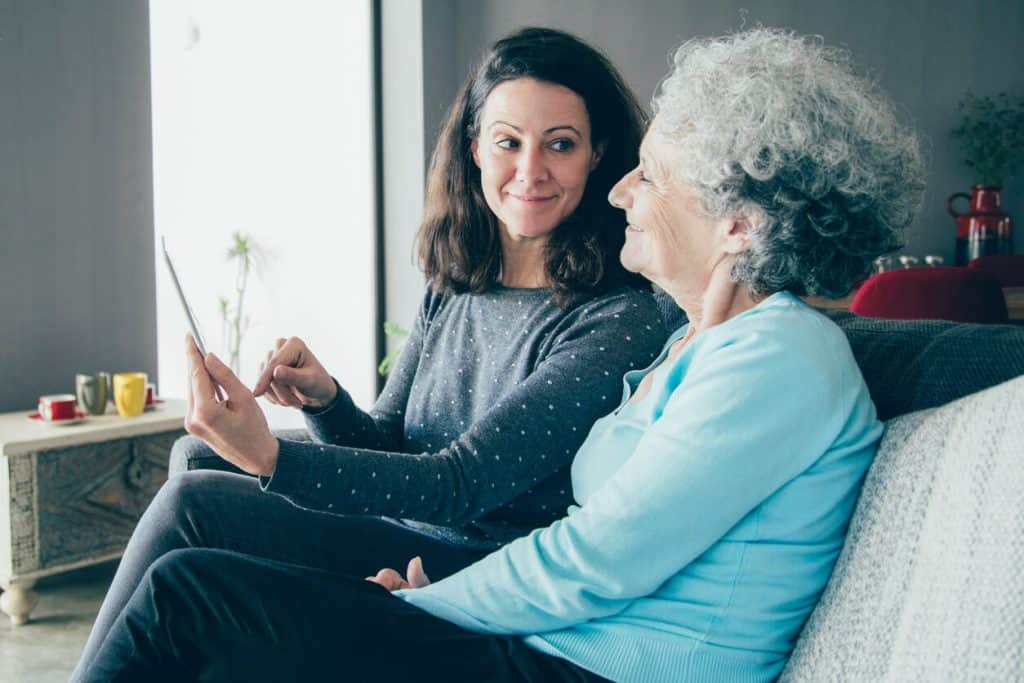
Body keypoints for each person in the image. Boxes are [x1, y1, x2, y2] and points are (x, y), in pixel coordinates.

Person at [78, 27, 925, 683]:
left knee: (189, 590)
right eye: (508, 141)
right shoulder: (698, 342)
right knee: (197, 558)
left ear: (739, 224)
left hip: (586, 662)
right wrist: (330, 408)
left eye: (651, 175)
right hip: (557, 636)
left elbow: (592, 555)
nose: (622, 186)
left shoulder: (778, 361)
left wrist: (434, 600)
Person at [71, 27, 667, 680]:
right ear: (474, 149)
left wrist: (271, 456)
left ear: (597, 153)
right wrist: (328, 401)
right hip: (405, 524)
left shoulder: (613, 318)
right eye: (508, 141)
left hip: (474, 561)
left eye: (560, 144)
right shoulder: (458, 281)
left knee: (193, 509)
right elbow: (388, 440)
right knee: (194, 460)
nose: (530, 170)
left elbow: (456, 484)